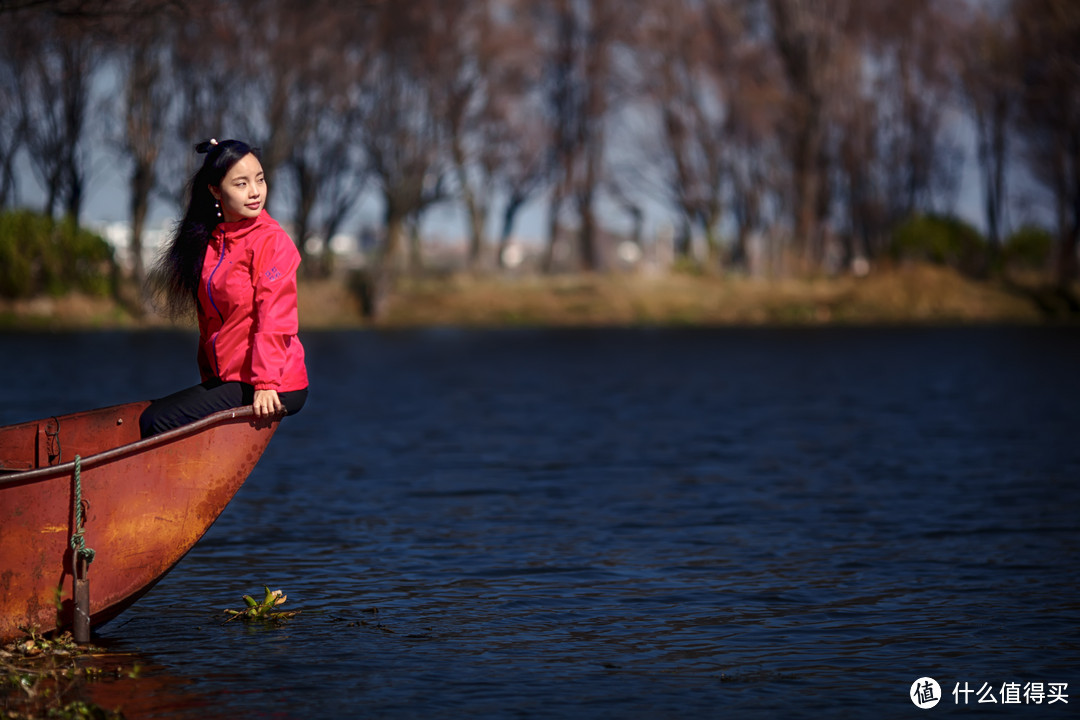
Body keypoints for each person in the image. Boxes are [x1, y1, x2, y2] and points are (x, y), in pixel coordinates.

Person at [140, 138, 308, 437]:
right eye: (241, 184)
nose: (255, 192)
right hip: (233, 378)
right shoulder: (214, 242)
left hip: (274, 383)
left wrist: (266, 384)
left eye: (259, 179)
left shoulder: (272, 241)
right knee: (146, 418)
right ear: (215, 191)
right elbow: (212, 320)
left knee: (157, 420)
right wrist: (210, 380)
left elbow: (274, 318)